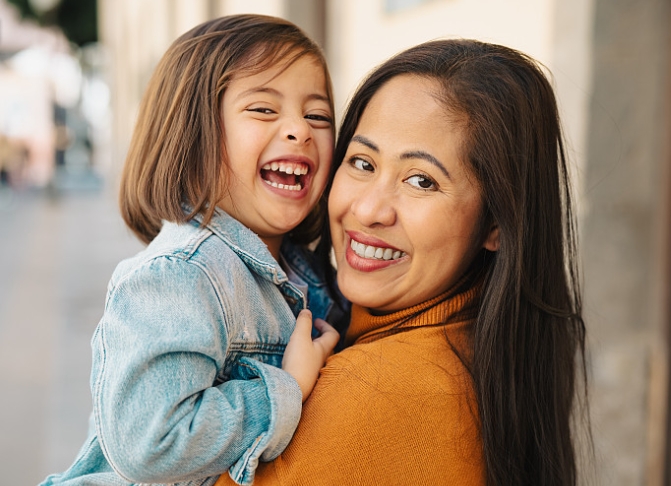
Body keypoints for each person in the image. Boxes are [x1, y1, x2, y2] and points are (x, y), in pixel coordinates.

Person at [216, 39, 589, 486]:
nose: (370, 208)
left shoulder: (373, 391)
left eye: (421, 180)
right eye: (361, 162)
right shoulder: (496, 353)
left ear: (497, 224)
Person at [40, 14, 341, 486]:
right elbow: (150, 442)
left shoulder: (308, 270)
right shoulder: (182, 274)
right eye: (264, 109)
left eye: (317, 115)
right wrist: (286, 388)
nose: (300, 130)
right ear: (193, 135)